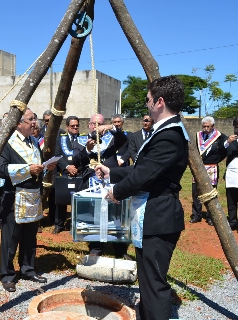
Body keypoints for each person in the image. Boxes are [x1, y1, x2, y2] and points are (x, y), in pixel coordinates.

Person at [95, 75, 189, 320]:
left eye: (148, 100)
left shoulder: (169, 135)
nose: (145, 104)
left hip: (159, 217)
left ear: (159, 102)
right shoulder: (164, 132)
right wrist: (112, 171)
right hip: (152, 216)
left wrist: (116, 192)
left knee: (154, 285)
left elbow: (144, 175)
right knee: (147, 281)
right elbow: (142, 169)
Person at [0, 108, 56, 292]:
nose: (34, 122)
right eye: (30, 119)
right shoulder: (7, 143)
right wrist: (27, 169)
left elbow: (35, 168)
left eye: (35, 119)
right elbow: (0, 170)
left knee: (30, 235)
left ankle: (28, 268)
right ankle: (7, 274)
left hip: (32, 195)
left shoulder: (33, 141)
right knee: (11, 237)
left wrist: (46, 167)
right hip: (14, 196)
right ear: (19, 123)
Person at [77, 113, 128, 258]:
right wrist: (87, 150)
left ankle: (119, 248)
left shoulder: (111, 139)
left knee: (115, 214)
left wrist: (111, 127)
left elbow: (123, 139)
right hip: (91, 184)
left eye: (100, 123)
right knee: (94, 215)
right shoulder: (81, 140)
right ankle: (96, 247)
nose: (96, 126)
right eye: (94, 123)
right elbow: (77, 161)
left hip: (110, 181)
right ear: (89, 124)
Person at [190, 116, 229, 226]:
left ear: (213, 126)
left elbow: (224, 150)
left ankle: (211, 216)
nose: (206, 128)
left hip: (212, 168)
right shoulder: (198, 135)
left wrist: (216, 160)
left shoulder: (220, 137)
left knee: (210, 193)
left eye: (208, 126)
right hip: (199, 167)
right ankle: (196, 215)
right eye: (204, 126)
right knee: (196, 191)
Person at [53, 116, 87, 234]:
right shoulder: (60, 139)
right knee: (61, 199)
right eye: (72, 126)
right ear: (67, 127)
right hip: (64, 172)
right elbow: (57, 155)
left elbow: (86, 156)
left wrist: (77, 168)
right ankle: (59, 225)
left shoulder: (84, 138)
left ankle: (76, 223)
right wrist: (67, 167)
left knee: (78, 200)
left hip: (79, 172)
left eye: (77, 125)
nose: (75, 128)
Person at [225, 117, 238, 230]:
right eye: (236, 125)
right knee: (231, 200)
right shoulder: (228, 140)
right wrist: (227, 142)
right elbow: (218, 152)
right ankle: (232, 221)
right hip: (232, 176)